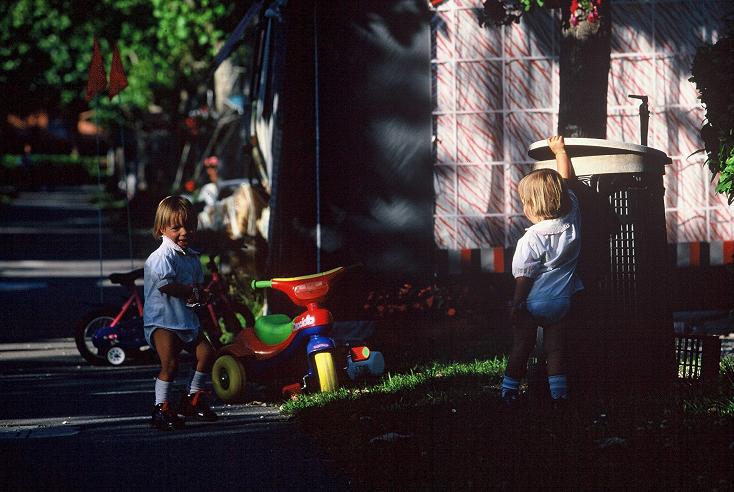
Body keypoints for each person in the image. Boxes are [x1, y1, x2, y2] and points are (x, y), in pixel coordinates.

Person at [500, 135, 582, 407]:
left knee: (521, 347)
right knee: (555, 350)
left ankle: (508, 392)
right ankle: (559, 396)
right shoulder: (572, 222)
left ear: (531, 207)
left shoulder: (531, 238)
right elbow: (568, 182)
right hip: (562, 302)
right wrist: (560, 152)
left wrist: (517, 302)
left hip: (533, 302)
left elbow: (524, 275)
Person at [144, 195, 218, 430]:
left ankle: (192, 398)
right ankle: (161, 408)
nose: (184, 232)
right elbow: (167, 285)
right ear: (162, 229)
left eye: (189, 226)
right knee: (171, 364)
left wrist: (201, 297)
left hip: (185, 318)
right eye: (176, 228)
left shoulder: (193, 258)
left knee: (207, 353)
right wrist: (193, 291)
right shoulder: (161, 257)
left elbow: (195, 288)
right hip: (163, 320)